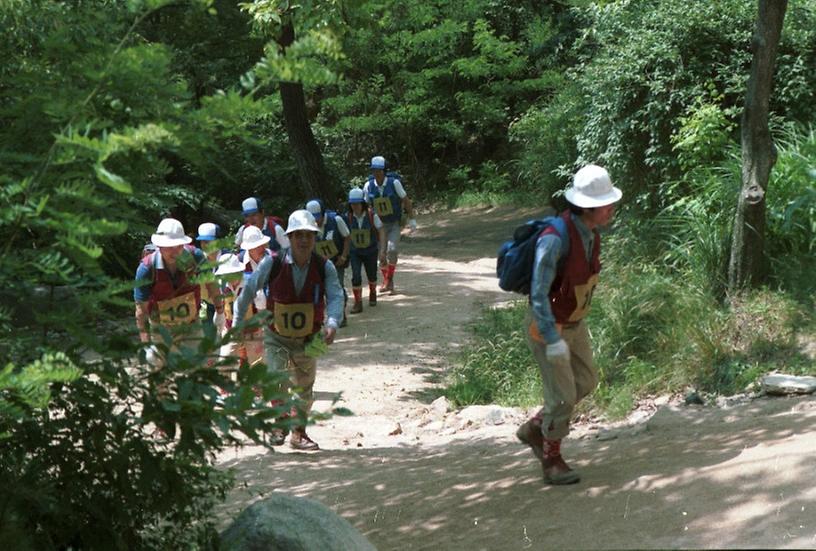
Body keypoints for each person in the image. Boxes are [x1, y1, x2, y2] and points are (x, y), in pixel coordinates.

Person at [515, 164, 622, 485]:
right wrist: (552, 338)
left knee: (586, 383)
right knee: (562, 397)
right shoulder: (554, 240)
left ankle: (536, 427)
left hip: (575, 323)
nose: (612, 207)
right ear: (589, 206)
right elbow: (537, 292)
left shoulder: (590, 234)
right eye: (606, 202)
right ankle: (552, 460)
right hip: (548, 326)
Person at [234, 209, 344, 451]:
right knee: (277, 379)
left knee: (305, 387)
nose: (304, 240)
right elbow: (248, 291)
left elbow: (336, 296)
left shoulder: (324, 266)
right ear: (290, 238)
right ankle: (281, 421)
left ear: (315, 238)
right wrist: (238, 322)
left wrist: (333, 323)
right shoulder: (272, 263)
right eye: (298, 236)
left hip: (310, 337)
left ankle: (298, 433)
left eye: (308, 235)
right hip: (276, 336)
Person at [134, 218, 223, 366]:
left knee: (194, 372)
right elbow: (140, 309)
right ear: (159, 246)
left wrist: (220, 311)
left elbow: (211, 284)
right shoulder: (147, 268)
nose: (175, 252)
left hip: (192, 325)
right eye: (169, 247)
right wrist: (145, 342)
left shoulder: (197, 257)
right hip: (160, 328)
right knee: (158, 377)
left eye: (179, 246)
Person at [362, 155, 416, 294]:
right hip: (378, 226)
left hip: (393, 223)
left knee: (392, 250)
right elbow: (365, 205)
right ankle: (387, 281)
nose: (376, 173)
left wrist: (412, 219)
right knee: (381, 255)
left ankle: (389, 279)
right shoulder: (368, 186)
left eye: (379, 170)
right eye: (374, 170)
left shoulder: (394, 183)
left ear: (384, 171)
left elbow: (406, 200)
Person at [306, 199, 351, 326]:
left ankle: (341, 314)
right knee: (322, 290)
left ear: (323, 213)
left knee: (338, 286)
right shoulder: (308, 226)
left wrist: (343, 257)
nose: (315, 220)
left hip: (337, 261)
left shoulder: (336, 220)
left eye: (317, 216)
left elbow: (347, 237)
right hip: (320, 264)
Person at [346, 188, 387, 314]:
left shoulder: (371, 215)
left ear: (362, 203)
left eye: (357, 203)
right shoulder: (348, 217)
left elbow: (381, 230)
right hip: (355, 252)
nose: (355, 206)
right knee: (356, 276)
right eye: (352, 204)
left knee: (372, 275)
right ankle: (358, 302)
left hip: (370, 250)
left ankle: (373, 292)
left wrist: (382, 250)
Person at [196, 222, 225, 333]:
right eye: (202, 241)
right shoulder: (199, 260)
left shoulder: (228, 259)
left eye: (208, 241)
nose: (204, 245)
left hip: (226, 305)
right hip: (207, 306)